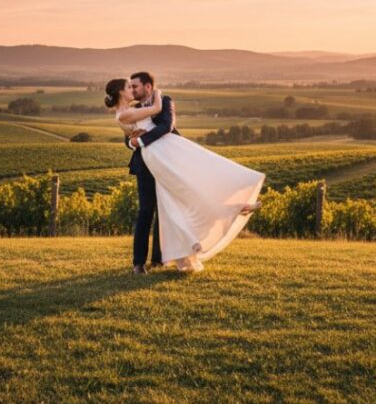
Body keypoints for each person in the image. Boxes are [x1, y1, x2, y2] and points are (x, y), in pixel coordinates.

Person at [105, 72, 263, 273]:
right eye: (130, 87)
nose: (133, 90)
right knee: (147, 211)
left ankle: (160, 258)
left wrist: (141, 139)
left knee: (183, 195)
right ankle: (138, 263)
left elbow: (166, 126)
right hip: (146, 163)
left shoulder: (164, 100)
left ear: (147, 87)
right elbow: (128, 138)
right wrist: (132, 142)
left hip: (169, 156)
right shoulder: (131, 110)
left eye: (135, 86)